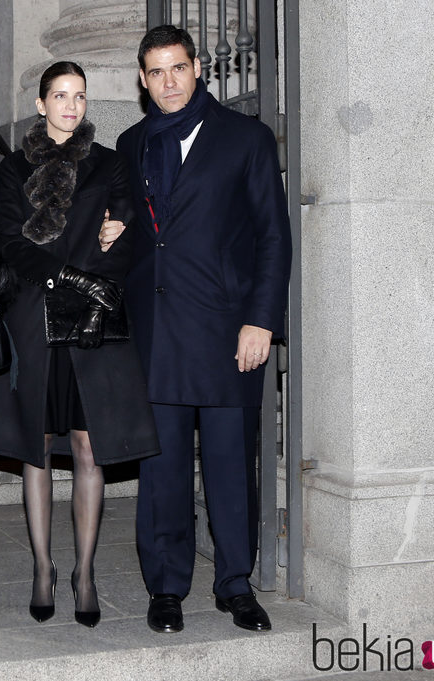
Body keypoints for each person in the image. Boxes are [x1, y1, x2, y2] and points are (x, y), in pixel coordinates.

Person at [105, 25, 292, 634]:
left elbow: (272, 236)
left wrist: (261, 319)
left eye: (178, 68)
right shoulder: (131, 144)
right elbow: (143, 231)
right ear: (141, 78)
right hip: (156, 329)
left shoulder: (246, 138)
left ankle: (235, 583)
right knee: (160, 469)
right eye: (156, 72)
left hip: (225, 329)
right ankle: (165, 586)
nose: (169, 83)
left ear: (198, 69)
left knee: (230, 462)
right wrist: (116, 235)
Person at [0, 61, 160, 628]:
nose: (70, 106)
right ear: (40, 104)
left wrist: (104, 255)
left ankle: (84, 572)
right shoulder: (12, 168)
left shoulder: (109, 163)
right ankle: (42, 567)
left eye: (79, 96)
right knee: (36, 446)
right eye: (60, 95)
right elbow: (9, 241)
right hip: (34, 315)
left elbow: (129, 227)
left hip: (90, 318)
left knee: (87, 446)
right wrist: (62, 278)